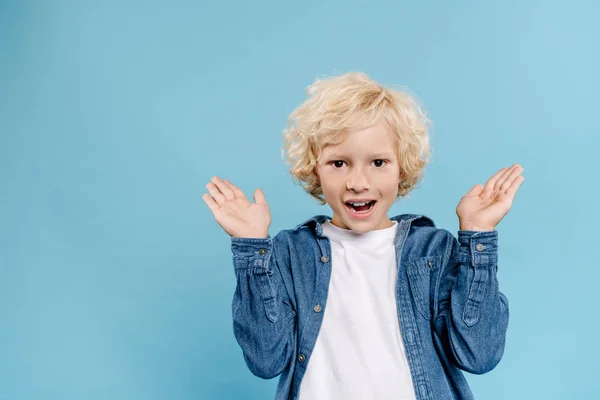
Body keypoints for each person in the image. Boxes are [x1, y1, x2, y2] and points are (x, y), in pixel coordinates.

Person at [202, 72, 524, 400]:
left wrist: (478, 237)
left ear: (402, 168)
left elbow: (479, 354)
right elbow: (265, 360)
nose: (358, 181)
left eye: (378, 162)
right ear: (315, 169)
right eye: (339, 163)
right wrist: (251, 248)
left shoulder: (433, 252)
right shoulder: (290, 253)